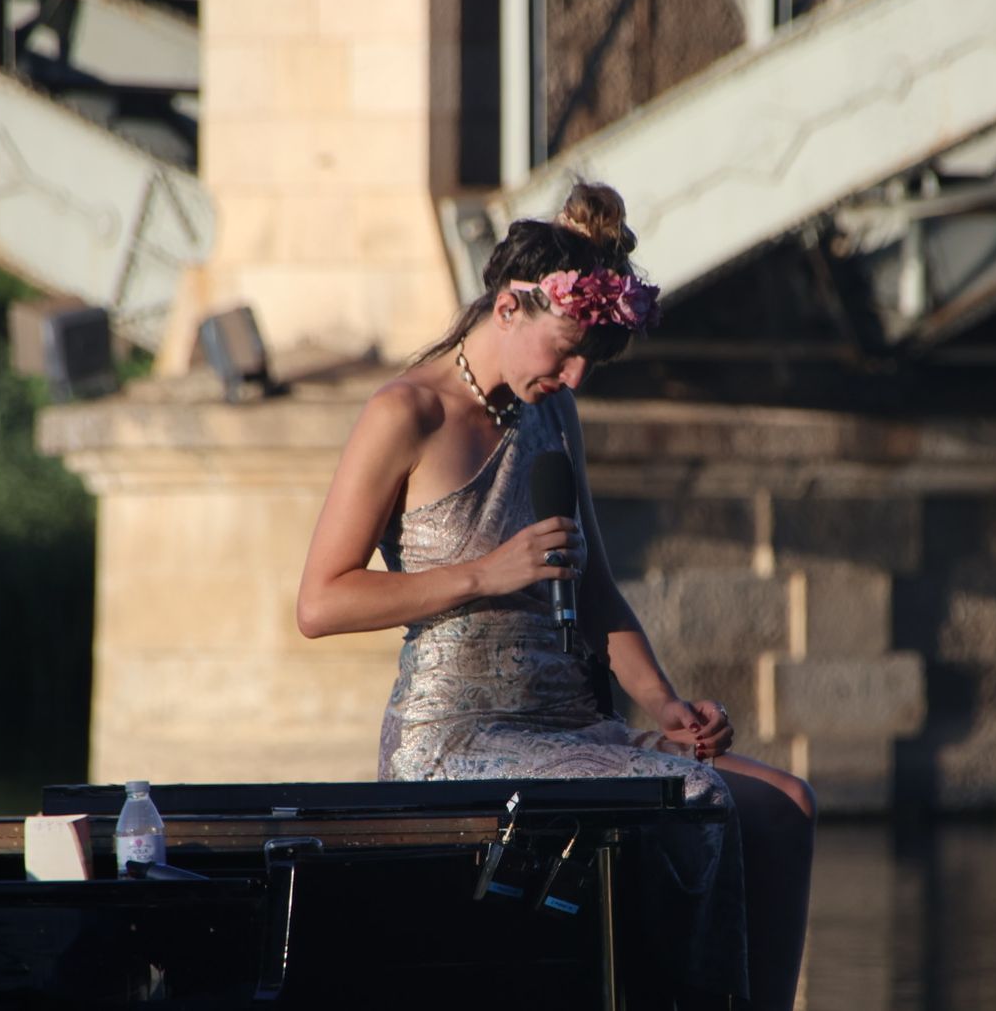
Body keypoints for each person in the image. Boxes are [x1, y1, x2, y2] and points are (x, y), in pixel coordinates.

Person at [296, 181, 815, 1010]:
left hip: (569, 724)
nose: (573, 374)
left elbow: (597, 589)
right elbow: (320, 602)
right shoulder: (407, 413)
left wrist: (669, 705)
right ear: (509, 306)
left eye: (587, 361)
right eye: (566, 350)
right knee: (701, 799)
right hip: (457, 735)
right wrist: (481, 573)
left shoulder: (554, 411)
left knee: (785, 804)